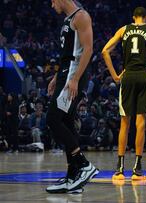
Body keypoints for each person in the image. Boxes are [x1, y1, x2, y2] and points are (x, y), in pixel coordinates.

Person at [102, 7, 146, 181]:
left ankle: (119, 170)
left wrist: (114, 75)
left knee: (124, 123)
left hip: (127, 77)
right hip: (144, 75)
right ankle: (137, 170)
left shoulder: (123, 29)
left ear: (133, 18)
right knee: (140, 123)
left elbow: (104, 51)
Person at [46, 0, 98, 193]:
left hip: (72, 77)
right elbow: (70, 54)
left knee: (52, 119)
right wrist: (56, 76)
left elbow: (88, 49)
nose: (52, 5)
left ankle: (83, 165)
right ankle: (73, 177)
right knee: (66, 122)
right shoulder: (69, 20)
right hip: (65, 75)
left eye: (52, 1)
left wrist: (74, 79)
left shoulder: (81, 16)